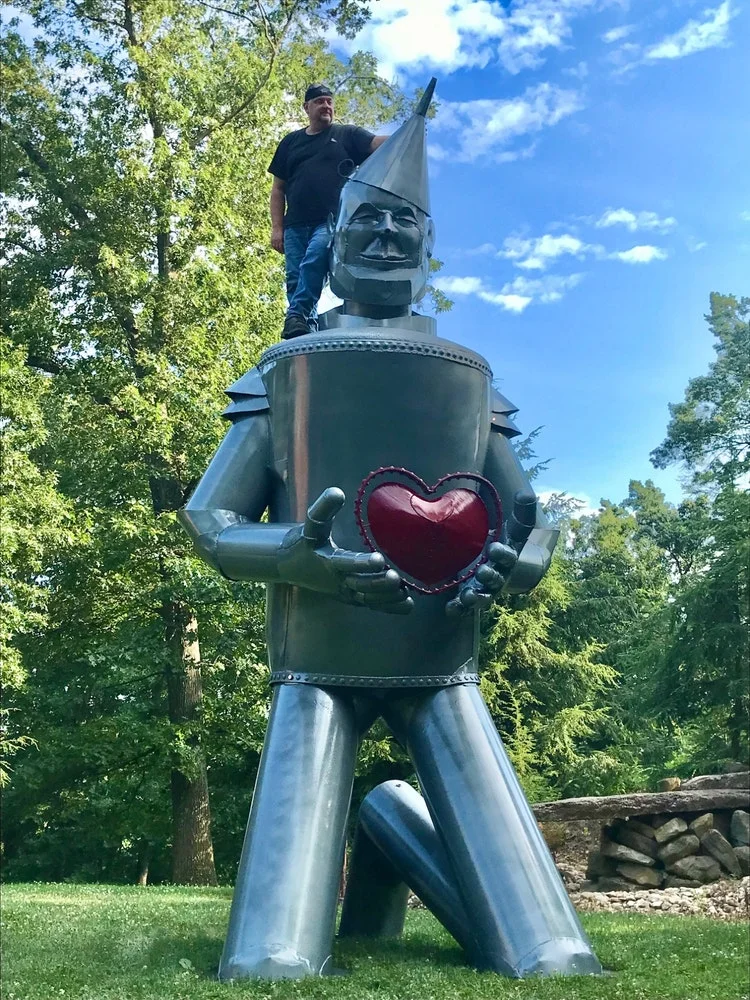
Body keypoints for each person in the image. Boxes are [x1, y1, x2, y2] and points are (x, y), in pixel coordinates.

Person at [268, 83, 388, 339]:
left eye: (329, 102)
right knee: (294, 277)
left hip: (331, 221)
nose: (326, 106)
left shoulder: (346, 135)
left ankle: (297, 315)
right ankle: (303, 328)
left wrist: (410, 133)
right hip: (295, 225)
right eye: (320, 101)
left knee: (315, 259)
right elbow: (278, 188)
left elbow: (379, 144)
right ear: (306, 107)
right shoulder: (291, 142)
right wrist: (277, 227)